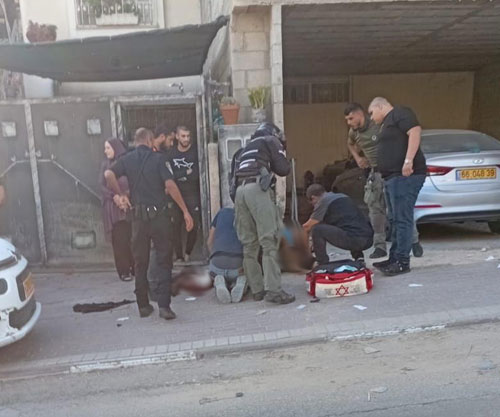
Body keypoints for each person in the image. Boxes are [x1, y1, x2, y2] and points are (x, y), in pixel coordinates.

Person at [105, 128, 194, 320]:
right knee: (164, 261)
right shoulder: (159, 159)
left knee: (140, 262)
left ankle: (143, 305)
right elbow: (170, 185)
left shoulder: (127, 159)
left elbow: (108, 174)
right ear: (150, 140)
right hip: (159, 218)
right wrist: (185, 211)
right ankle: (164, 306)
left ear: (136, 141)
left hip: (138, 220)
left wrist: (120, 194)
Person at [345, 102, 423, 259]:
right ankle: (379, 246)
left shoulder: (379, 124)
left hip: (392, 172)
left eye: (351, 118)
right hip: (374, 174)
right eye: (347, 119)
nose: (349, 123)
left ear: (360, 114)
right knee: (375, 211)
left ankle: (414, 241)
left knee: (399, 210)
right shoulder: (353, 132)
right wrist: (358, 158)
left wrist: (407, 161)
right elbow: (350, 144)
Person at [232, 122, 295, 305]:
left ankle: (257, 290)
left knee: (249, 245)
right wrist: (282, 152)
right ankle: (274, 291)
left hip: (240, 192)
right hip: (257, 189)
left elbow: (231, 181)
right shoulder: (270, 140)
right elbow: (283, 169)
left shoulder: (243, 150)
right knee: (269, 241)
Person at [368, 97, 427, 276]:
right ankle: (394, 257)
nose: (371, 117)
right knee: (394, 219)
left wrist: (408, 161)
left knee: (402, 219)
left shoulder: (399, 113)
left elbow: (415, 131)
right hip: (391, 177)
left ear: (380, 106)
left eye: (371, 112)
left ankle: (402, 261)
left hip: (405, 176)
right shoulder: (387, 124)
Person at [302, 184, 373, 265]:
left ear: (313, 198)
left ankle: (322, 263)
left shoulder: (323, 201)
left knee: (317, 230)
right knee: (349, 226)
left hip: (355, 240)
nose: (314, 207)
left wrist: (304, 249)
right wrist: (313, 242)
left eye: (312, 204)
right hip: (368, 239)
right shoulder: (342, 196)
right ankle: (359, 258)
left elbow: (307, 227)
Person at [99, 138, 134, 282]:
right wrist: (115, 197)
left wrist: (126, 196)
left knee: (130, 238)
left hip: (129, 205)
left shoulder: (127, 163)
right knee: (119, 240)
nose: (105, 151)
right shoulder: (105, 165)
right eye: (105, 148)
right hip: (114, 209)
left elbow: (134, 182)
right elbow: (101, 185)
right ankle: (123, 270)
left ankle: (134, 267)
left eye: (108, 148)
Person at [169, 126, 200, 263]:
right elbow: (169, 176)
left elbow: (196, 174)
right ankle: (179, 257)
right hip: (176, 194)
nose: (186, 139)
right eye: (183, 136)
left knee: (193, 225)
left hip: (192, 194)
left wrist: (179, 175)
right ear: (177, 136)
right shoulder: (171, 154)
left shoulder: (195, 152)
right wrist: (185, 173)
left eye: (188, 136)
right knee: (175, 226)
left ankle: (188, 253)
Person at [207, 207, 247, 304]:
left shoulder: (221, 213)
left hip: (217, 265)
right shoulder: (246, 215)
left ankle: (219, 281)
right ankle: (241, 281)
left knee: (214, 270)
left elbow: (209, 242)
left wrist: (213, 256)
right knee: (248, 271)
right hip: (238, 267)